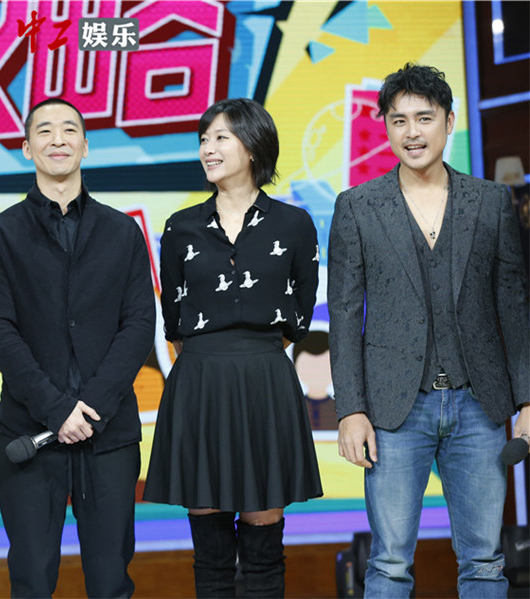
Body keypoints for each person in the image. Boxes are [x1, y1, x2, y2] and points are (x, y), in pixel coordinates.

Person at [328, 63, 529, 597]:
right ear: (386, 128)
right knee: (390, 562)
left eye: (424, 118)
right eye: (399, 121)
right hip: (394, 408)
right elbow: (344, 315)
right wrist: (350, 409)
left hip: (480, 404)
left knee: (484, 561)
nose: (411, 132)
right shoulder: (357, 207)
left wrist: (527, 399)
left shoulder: (491, 201)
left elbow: (514, 307)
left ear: (449, 122)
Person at [0, 98, 155, 598]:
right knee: (31, 580)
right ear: (26, 147)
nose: (58, 139)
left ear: (86, 146)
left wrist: (91, 405)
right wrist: (56, 409)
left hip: (108, 434)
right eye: (45, 131)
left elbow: (140, 324)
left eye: (70, 130)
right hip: (29, 434)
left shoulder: (122, 231)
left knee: (111, 580)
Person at [143, 98, 323, 598]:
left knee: (265, 551)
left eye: (221, 137)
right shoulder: (180, 226)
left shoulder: (294, 224)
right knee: (211, 555)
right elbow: (173, 317)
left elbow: (301, 312)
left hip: (265, 379)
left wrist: (254, 346)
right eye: (204, 139)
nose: (208, 148)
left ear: (253, 145)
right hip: (200, 381)